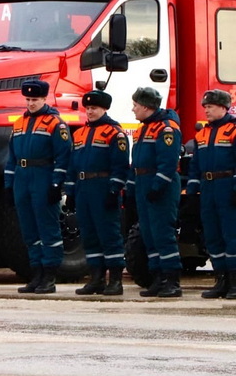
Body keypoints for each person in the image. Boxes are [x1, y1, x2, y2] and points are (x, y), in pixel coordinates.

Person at [5, 80, 71, 295]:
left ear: (44, 99)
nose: (31, 103)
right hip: (22, 178)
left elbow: (63, 157)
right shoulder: (19, 123)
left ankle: (49, 276)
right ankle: (36, 275)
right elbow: (11, 157)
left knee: (47, 229)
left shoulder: (55, 123)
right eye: (28, 100)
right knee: (29, 229)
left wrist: (56, 184)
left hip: (43, 176)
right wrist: (9, 184)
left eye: (35, 100)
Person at [64, 90, 129, 296]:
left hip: (102, 187)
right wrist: (71, 192)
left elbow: (120, 166)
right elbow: (72, 166)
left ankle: (115, 280)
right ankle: (96, 278)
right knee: (89, 234)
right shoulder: (80, 134)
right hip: (84, 188)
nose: (90, 112)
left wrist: (114, 190)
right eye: (88, 108)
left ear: (104, 109)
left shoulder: (114, 133)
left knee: (109, 234)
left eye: (94, 108)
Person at [128, 86, 183, 298]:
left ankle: (172, 280)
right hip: (144, 182)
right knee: (149, 234)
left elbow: (168, 163)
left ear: (146, 106)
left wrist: (157, 186)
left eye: (135, 106)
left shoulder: (167, 128)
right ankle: (158, 277)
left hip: (160, 185)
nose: (133, 110)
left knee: (162, 232)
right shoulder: (143, 129)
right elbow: (137, 162)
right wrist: (133, 186)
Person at [185, 89, 236, 299]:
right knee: (212, 235)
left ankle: (234, 281)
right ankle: (221, 279)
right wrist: (192, 190)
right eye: (205, 107)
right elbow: (195, 165)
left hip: (226, 185)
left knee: (231, 234)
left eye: (210, 107)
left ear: (223, 108)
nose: (206, 110)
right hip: (208, 188)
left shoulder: (233, 130)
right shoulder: (202, 134)